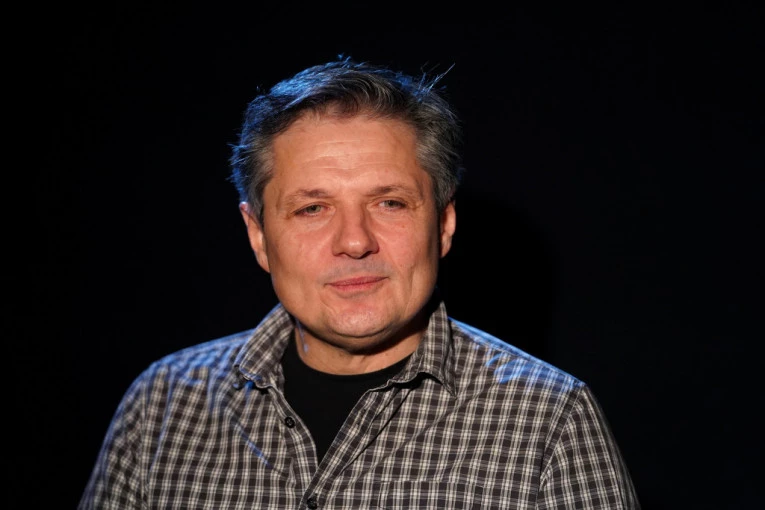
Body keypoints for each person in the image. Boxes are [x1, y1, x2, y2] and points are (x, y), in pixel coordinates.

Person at [79, 56, 640, 509]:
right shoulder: (162, 405)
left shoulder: (549, 418)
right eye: (312, 208)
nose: (354, 241)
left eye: (389, 202)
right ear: (258, 236)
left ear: (443, 224)